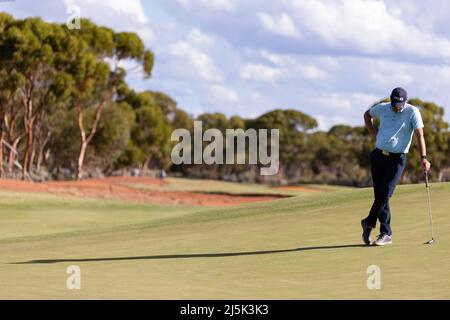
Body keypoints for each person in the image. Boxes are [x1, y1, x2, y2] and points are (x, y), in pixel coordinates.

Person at [361, 87, 431, 246]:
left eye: (399, 104)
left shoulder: (412, 112)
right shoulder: (384, 108)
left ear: (405, 102)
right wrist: (373, 133)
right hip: (378, 156)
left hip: (397, 159)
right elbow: (367, 115)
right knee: (380, 195)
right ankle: (385, 233)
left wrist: (424, 158)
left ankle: (369, 222)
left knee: (385, 193)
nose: (396, 106)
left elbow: (420, 135)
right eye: (394, 103)